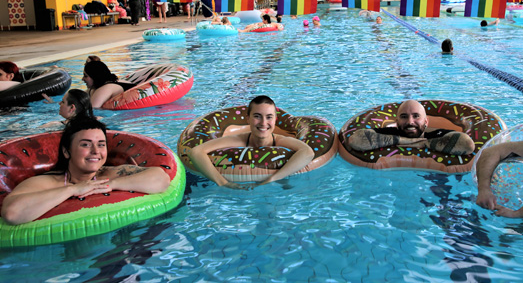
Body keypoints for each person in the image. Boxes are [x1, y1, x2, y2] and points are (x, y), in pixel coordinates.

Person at [1, 117, 171, 225]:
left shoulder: (110, 174)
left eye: (101, 144)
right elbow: (12, 213)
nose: (96, 151)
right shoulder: (46, 182)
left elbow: (161, 179)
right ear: (67, 151)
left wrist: (109, 184)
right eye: (85, 144)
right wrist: (74, 189)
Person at [187, 95, 314, 190]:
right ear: (248, 119)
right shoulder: (238, 139)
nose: (263, 123)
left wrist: (273, 178)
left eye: (269, 117)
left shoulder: (281, 141)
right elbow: (196, 152)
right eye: (257, 116)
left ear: (275, 120)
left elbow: (307, 152)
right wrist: (223, 183)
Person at [347, 100, 475, 155]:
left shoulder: (438, 134)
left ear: (426, 121)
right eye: (404, 116)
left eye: (416, 116)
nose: (410, 122)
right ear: (397, 122)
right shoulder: (388, 133)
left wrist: (424, 143)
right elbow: (354, 141)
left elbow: (468, 145)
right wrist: (405, 141)